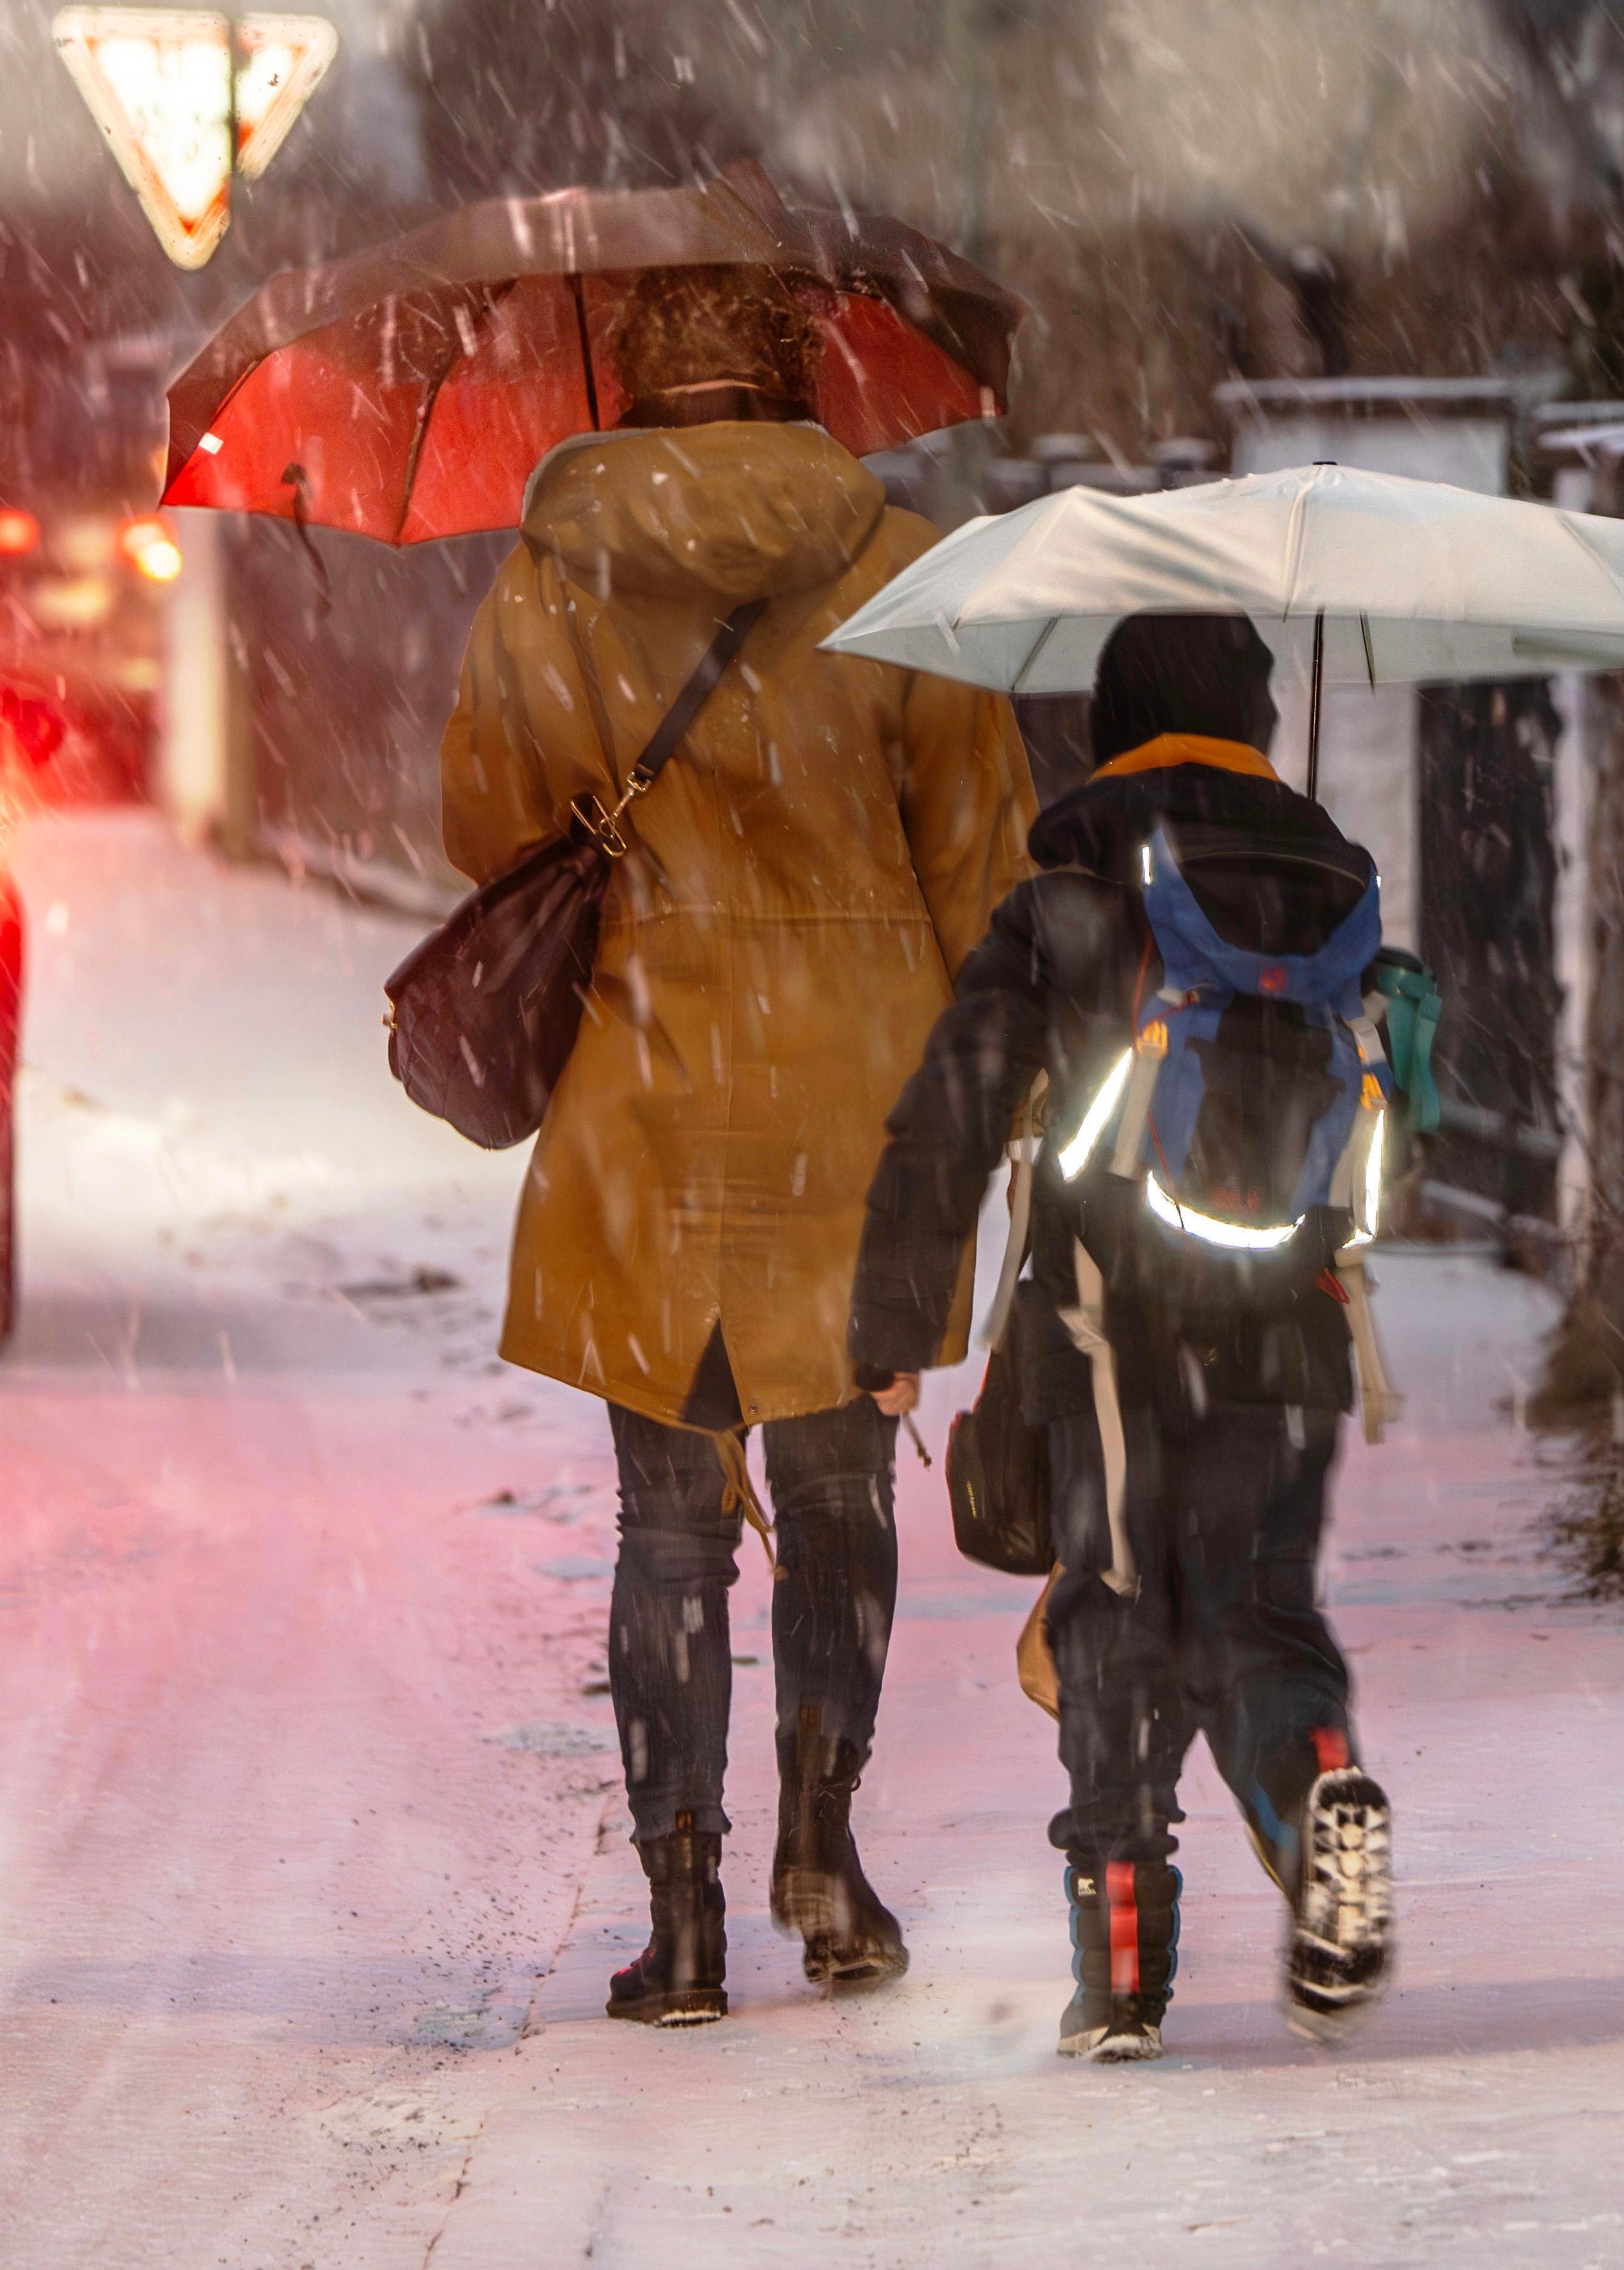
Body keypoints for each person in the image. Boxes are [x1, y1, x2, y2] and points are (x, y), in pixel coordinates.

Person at [438, 266, 1033, 2026]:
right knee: (840, 1499)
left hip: (645, 1098)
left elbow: (485, 825)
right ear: (803, 379)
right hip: (856, 1108)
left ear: (627, 383)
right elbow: (981, 861)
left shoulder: (551, 579)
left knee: (669, 1528)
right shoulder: (903, 571)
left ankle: (682, 1915)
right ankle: (825, 1860)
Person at [848, 613, 1399, 2061]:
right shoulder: (1336, 891)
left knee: (1112, 1616)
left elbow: (951, 1113)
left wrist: (895, 1321)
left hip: (1110, 1326)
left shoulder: (1072, 899)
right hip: (1294, 1326)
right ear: (1259, 725)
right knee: (1259, 1608)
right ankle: (1319, 1788)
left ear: (1110, 728)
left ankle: (1124, 1965)